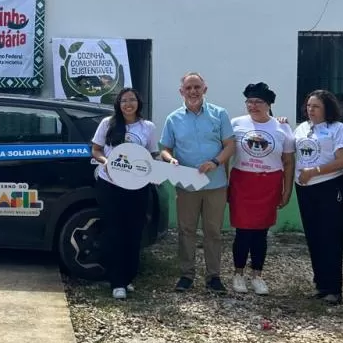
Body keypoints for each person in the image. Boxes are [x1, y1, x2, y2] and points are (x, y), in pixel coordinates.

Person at [159, 72, 236, 293]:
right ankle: (186, 275)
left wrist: (215, 161)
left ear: (205, 89)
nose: (193, 91)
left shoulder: (219, 114)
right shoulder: (173, 118)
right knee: (186, 230)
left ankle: (213, 277)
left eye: (197, 87)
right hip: (187, 185)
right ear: (181, 91)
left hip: (215, 184)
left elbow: (230, 145)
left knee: (213, 231)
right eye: (188, 88)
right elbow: (164, 148)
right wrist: (170, 158)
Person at [91, 87, 159, 300]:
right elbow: (96, 149)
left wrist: (156, 168)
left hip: (137, 187)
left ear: (138, 102)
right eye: (123, 101)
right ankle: (116, 281)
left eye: (132, 100)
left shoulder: (147, 127)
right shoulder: (107, 124)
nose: (128, 104)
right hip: (109, 184)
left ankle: (128, 278)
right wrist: (106, 161)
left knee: (134, 232)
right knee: (113, 232)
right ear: (118, 105)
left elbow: (153, 153)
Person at [228, 83, 295, 296]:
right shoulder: (236, 124)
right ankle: (238, 273)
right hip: (242, 182)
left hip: (268, 183)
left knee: (261, 233)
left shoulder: (281, 127)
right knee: (242, 232)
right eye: (250, 101)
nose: (253, 106)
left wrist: (286, 190)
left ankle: (257, 275)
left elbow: (288, 162)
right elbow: (226, 154)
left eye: (258, 102)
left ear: (269, 104)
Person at [292, 90, 343, 304]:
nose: (311, 110)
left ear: (327, 108)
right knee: (313, 236)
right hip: (305, 188)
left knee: (330, 237)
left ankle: (334, 288)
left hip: (329, 186)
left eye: (316, 106)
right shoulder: (301, 128)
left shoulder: (337, 129)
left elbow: (342, 160)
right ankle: (321, 284)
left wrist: (315, 171)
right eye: (308, 106)